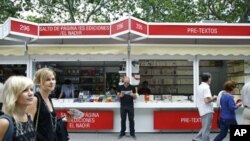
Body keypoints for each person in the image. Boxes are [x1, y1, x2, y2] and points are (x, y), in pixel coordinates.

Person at [26, 68, 70, 141]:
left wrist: (64, 119)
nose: (51, 82)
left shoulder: (48, 99)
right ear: (39, 82)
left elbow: (49, 123)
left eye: (53, 79)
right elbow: (27, 127)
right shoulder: (35, 99)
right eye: (47, 80)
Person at [0, 76, 36, 141]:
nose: (30, 93)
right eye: (25, 90)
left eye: (31, 89)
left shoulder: (29, 117)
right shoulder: (4, 122)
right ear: (13, 94)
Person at [193, 72, 217, 141]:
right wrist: (214, 98)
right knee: (207, 129)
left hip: (202, 109)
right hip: (207, 110)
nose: (211, 79)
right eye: (210, 78)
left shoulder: (200, 86)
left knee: (205, 127)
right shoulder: (206, 87)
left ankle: (196, 138)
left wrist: (211, 99)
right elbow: (206, 100)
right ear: (208, 78)